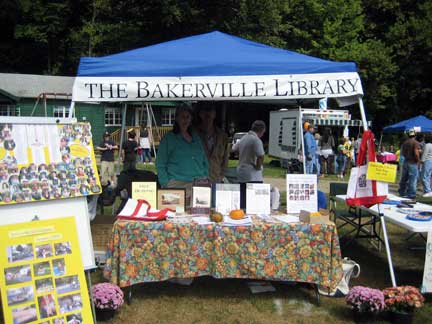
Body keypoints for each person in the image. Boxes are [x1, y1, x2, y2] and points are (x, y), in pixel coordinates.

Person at [156, 104, 209, 207]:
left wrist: (205, 176)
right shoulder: (169, 138)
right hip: (176, 184)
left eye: (188, 117)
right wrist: (166, 183)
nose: (185, 120)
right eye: (182, 117)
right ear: (176, 118)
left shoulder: (196, 138)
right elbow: (160, 163)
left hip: (198, 184)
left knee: (198, 218)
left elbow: (204, 159)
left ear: (191, 119)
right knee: (174, 218)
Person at [232, 120, 266, 209]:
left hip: (241, 171)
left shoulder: (243, 138)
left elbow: (234, 149)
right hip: (253, 174)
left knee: (243, 198)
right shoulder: (256, 140)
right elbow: (261, 156)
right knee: (253, 200)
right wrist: (258, 167)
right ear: (262, 130)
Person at [195, 104, 229, 183]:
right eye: (205, 111)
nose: (208, 114)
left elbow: (225, 160)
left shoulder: (222, 136)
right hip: (198, 180)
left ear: (215, 114)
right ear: (200, 114)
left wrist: (221, 176)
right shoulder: (193, 134)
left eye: (210, 111)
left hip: (216, 180)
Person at [398, 128, 420, 199]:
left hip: (406, 161)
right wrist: (418, 161)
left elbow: (403, 153)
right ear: (415, 135)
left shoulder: (405, 142)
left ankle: (401, 192)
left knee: (404, 178)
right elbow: (416, 153)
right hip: (413, 162)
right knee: (413, 179)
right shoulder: (415, 142)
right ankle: (411, 194)